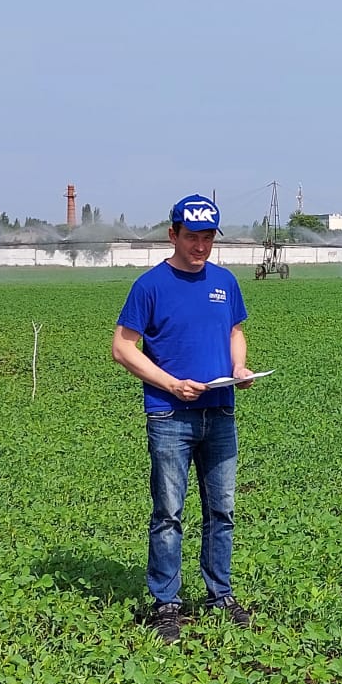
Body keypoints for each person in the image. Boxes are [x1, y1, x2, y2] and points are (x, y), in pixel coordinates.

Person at [112, 194, 255, 642]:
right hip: (170, 414)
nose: (201, 245)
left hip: (219, 412)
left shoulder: (225, 282)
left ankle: (220, 595)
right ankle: (166, 604)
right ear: (172, 234)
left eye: (208, 237)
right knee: (169, 513)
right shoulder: (151, 286)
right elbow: (122, 347)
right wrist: (171, 384)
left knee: (222, 510)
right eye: (192, 236)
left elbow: (235, 332)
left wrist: (238, 368)